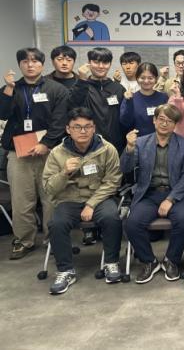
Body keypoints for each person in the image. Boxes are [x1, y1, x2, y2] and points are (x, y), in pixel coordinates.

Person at [42, 107, 123, 294]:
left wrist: (91, 204)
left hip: (99, 198)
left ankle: (111, 262)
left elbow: (113, 182)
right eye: (77, 127)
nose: (83, 131)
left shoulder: (107, 149)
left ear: (94, 128)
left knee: (112, 217)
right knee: (57, 223)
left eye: (87, 126)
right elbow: (48, 188)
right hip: (68, 200)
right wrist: (64, 173)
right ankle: (65, 270)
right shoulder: (57, 153)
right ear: (68, 129)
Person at [0, 48, 68, 259]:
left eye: (35, 61)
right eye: (25, 61)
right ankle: (24, 240)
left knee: (51, 198)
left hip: (50, 152)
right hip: (18, 153)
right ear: (20, 64)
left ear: (42, 64)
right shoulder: (11, 88)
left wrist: (46, 143)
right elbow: (2, 114)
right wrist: (9, 89)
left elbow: (60, 120)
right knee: (21, 200)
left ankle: (53, 239)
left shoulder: (56, 89)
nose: (30, 65)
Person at [121, 104, 184, 284]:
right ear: (154, 121)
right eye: (161, 119)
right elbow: (126, 168)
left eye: (170, 121)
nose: (164, 124)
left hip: (175, 194)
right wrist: (129, 148)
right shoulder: (141, 143)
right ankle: (149, 261)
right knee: (132, 223)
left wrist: (170, 199)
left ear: (175, 125)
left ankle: (171, 260)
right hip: (148, 194)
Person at [69, 47, 126, 153]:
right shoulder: (81, 86)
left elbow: (125, 117)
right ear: (89, 63)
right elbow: (72, 107)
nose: (101, 66)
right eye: (96, 62)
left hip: (116, 145)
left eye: (105, 62)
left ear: (110, 64)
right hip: (89, 145)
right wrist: (82, 80)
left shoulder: (118, 88)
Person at [120, 62, 169, 136]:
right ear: (137, 79)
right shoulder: (130, 98)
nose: (146, 81)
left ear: (156, 79)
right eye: (142, 78)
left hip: (161, 140)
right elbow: (125, 123)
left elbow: (169, 121)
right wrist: (128, 101)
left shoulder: (163, 97)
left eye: (150, 78)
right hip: (138, 140)